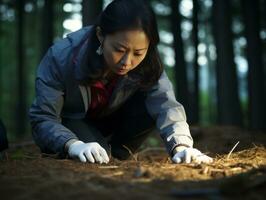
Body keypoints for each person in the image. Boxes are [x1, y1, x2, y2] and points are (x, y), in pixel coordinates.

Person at [29, 0, 213, 164]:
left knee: (110, 155)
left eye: (138, 53)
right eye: (119, 49)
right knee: (91, 159)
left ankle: (117, 155)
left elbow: (167, 105)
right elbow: (43, 117)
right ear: (101, 35)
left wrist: (181, 146)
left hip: (114, 120)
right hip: (73, 121)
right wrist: (71, 144)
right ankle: (97, 150)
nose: (127, 61)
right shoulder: (62, 57)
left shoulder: (148, 61)